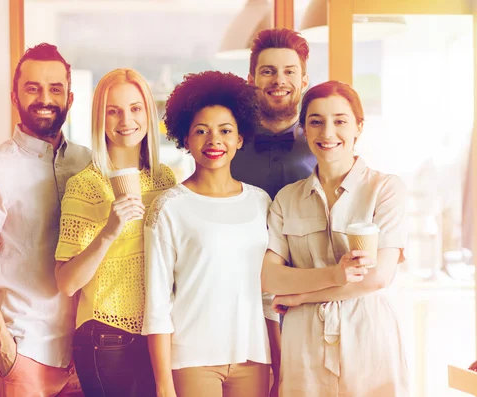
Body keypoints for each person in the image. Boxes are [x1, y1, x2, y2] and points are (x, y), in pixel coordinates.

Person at [0, 43, 90, 396]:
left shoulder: (88, 163)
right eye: (33, 88)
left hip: (86, 354)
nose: (44, 98)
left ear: (70, 98)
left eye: (55, 88)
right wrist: (3, 345)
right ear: (15, 97)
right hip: (26, 352)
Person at [261, 81, 409, 396]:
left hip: (368, 335)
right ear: (304, 129)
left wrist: (302, 295)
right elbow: (270, 277)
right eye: (316, 121)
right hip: (304, 342)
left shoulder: (385, 190)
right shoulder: (287, 199)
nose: (328, 132)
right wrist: (333, 275)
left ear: (359, 127)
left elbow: (378, 278)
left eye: (340, 120)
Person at [142, 71, 280, 397]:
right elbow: (158, 304)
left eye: (225, 131)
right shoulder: (169, 207)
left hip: (253, 357)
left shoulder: (261, 202)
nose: (214, 140)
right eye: (201, 131)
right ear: (185, 140)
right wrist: (163, 386)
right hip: (191, 360)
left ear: (240, 138)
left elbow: (268, 296)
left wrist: (279, 363)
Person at [54, 68, 176, 397]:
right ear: (100, 118)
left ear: (149, 114)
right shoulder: (85, 186)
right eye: (114, 110)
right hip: (107, 340)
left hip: (159, 337)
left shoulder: (166, 180)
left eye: (135, 108)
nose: (126, 120)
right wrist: (109, 230)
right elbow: (66, 283)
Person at [231, 27, 317, 200]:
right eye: (268, 72)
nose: (279, 80)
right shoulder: (228, 147)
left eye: (289, 72)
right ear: (251, 80)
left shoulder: (323, 146)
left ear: (304, 81)